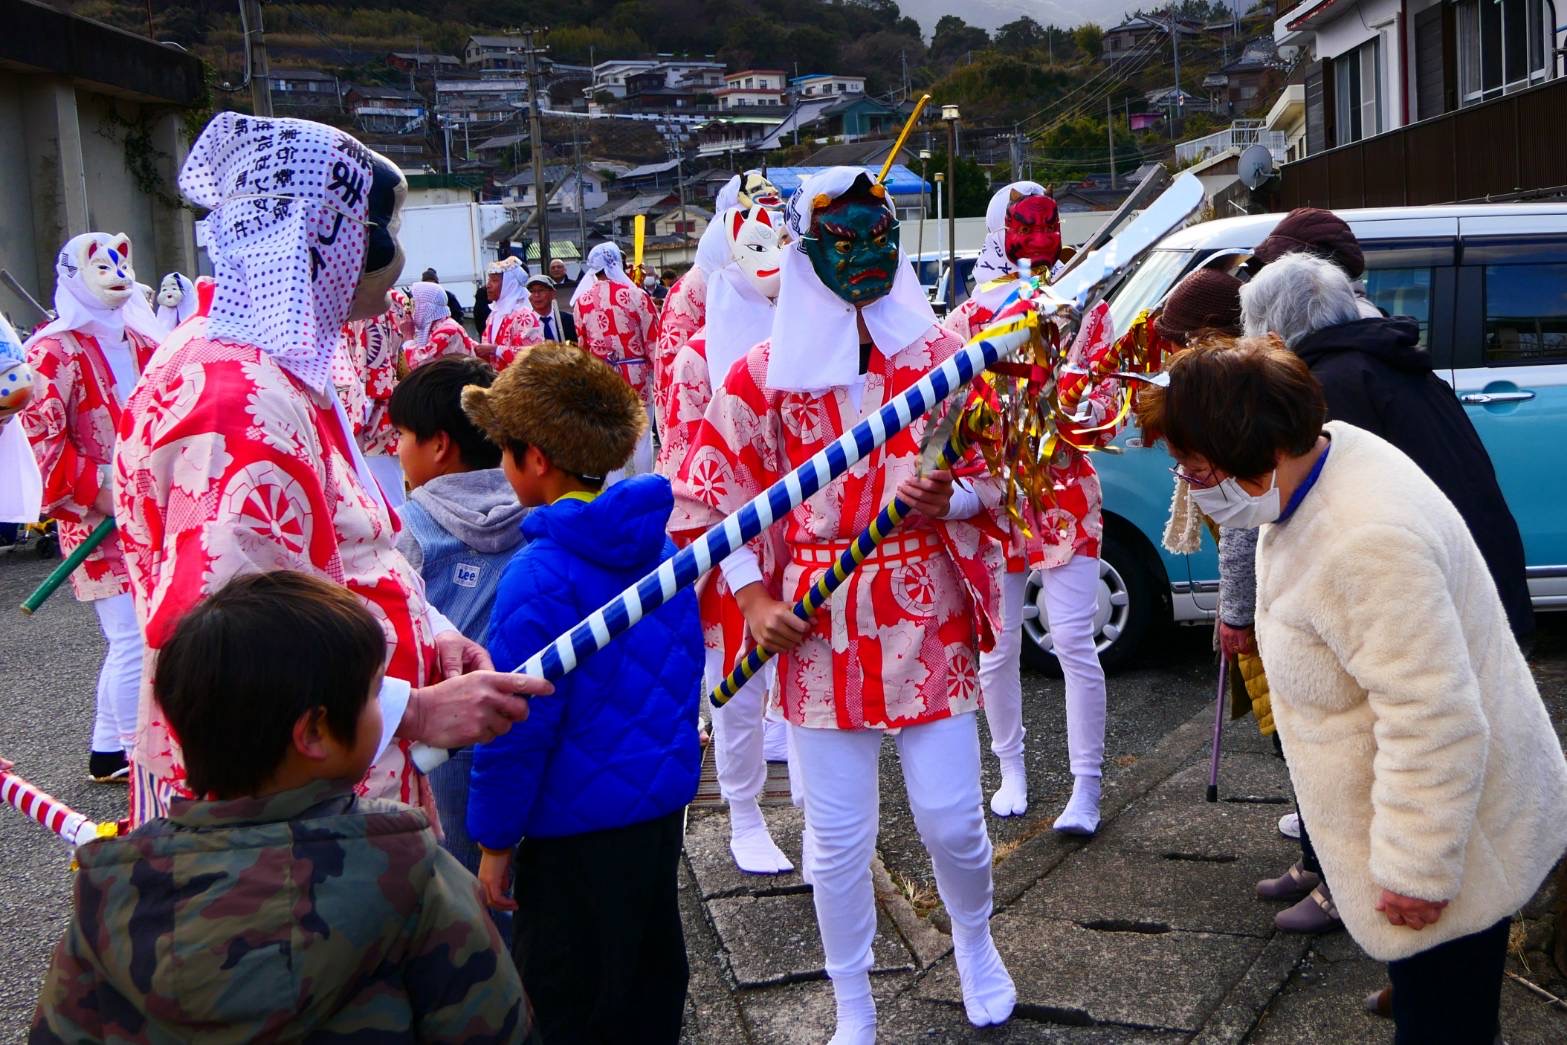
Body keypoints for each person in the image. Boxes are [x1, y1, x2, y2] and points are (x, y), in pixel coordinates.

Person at [114, 112, 547, 825]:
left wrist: (430, 629)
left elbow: (348, 552)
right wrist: (412, 709)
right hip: (284, 805)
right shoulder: (235, 400)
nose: (389, 252)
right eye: (374, 228)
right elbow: (238, 643)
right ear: (316, 237)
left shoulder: (268, 363)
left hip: (334, 746)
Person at [1142, 336, 1567, 1045]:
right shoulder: (1325, 457)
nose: (1189, 484)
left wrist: (1416, 869)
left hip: (1458, 834)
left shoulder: (1364, 541)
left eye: (1197, 467)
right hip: (1443, 805)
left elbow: (1432, 716)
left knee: (1447, 1020)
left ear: (1257, 448)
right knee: (1437, 993)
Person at [676, 168, 1014, 1042]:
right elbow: (713, 497)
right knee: (835, 836)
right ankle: (851, 999)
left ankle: (974, 939)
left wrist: (953, 499)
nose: (864, 253)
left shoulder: (941, 358)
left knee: (951, 817)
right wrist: (752, 595)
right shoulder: (760, 377)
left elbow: (996, 473)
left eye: (879, 236)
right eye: (842, 239)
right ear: (804, 252)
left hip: (924, 607)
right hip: (817, 624)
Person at [31, 571, 532, 1041]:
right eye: (375, 694)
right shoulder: (412, 871)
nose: (384, 710)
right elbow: (493, 1026)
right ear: (313, 733)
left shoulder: (112, 891)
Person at [464, 342, 702, 1044]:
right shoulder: (661, 552)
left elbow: (516, 724)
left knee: (568, 1001)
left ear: (536, 459)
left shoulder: (539, 573)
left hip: (570, 834)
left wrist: (494, 839)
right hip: (656, 812)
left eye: (504, 450)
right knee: (649, 982)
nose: (501, 465)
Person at [944, 181, 1113, 829]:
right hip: (994, 495)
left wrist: (1078, 404)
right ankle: (1010, 766)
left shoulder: (1082, 307)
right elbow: (949, 413)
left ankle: (1087, 785)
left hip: (1063, 489)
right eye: (1023, 226)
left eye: (1048, 224)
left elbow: (1103, 405)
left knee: (1073, 638)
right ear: (998, 234)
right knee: (997, 645)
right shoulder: (965, 320)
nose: (1038, 239)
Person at [663, 203, 791, 874]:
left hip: (804, 536)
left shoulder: (806, 335)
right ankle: (744, 812)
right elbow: (690, 474)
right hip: (727, 543)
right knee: (735, 684)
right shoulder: (696, 359)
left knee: (807, 676)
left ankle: (816, 808)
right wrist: (738, 571)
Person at [390, 356, 528, 935]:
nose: (396, 449)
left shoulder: (408, 528)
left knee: (462, 886)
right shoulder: (536, 507)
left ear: (440, 445)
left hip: (447, 737)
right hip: (530, 720)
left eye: (402, 435)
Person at [20, 232, 164, 784]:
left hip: (152, 512)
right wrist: (105, 491)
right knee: (133, 637)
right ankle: (133, 752)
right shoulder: (52, 353)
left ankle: (107, 751)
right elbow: (39, 442)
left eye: (119, 263)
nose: (115, 275)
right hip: (97, 517)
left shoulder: (145, 342)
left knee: (148, 631)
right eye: (99, 266)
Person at [571, 242, 659, 475]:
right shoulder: (637, 295)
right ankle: (643, 486)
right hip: (636, 375)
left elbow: (583, 348)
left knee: (609, 438)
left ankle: (616, 490)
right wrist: (659, 375)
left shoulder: (582, 301)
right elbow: (653, 342)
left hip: (602, 377)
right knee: (642, 437)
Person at [481, 256, 543, 369]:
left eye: (494, 280)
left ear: (509, 284)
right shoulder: (493, 315)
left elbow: (532, 354)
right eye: (488, 280)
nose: (488, 285)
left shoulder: (523, 315)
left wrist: (496, 350)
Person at [401, 280, 477, 370]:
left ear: (425, 307)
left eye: (412, 304)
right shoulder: (433, 329)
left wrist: (408, 336)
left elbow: (420, 365)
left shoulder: (447, 331)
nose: (408, 310)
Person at [526, 271, 574, 342]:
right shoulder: (524, 324)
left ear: (553, 294)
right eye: (531, 291)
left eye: (541, 290)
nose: (536, 295)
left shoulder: (569, 320)